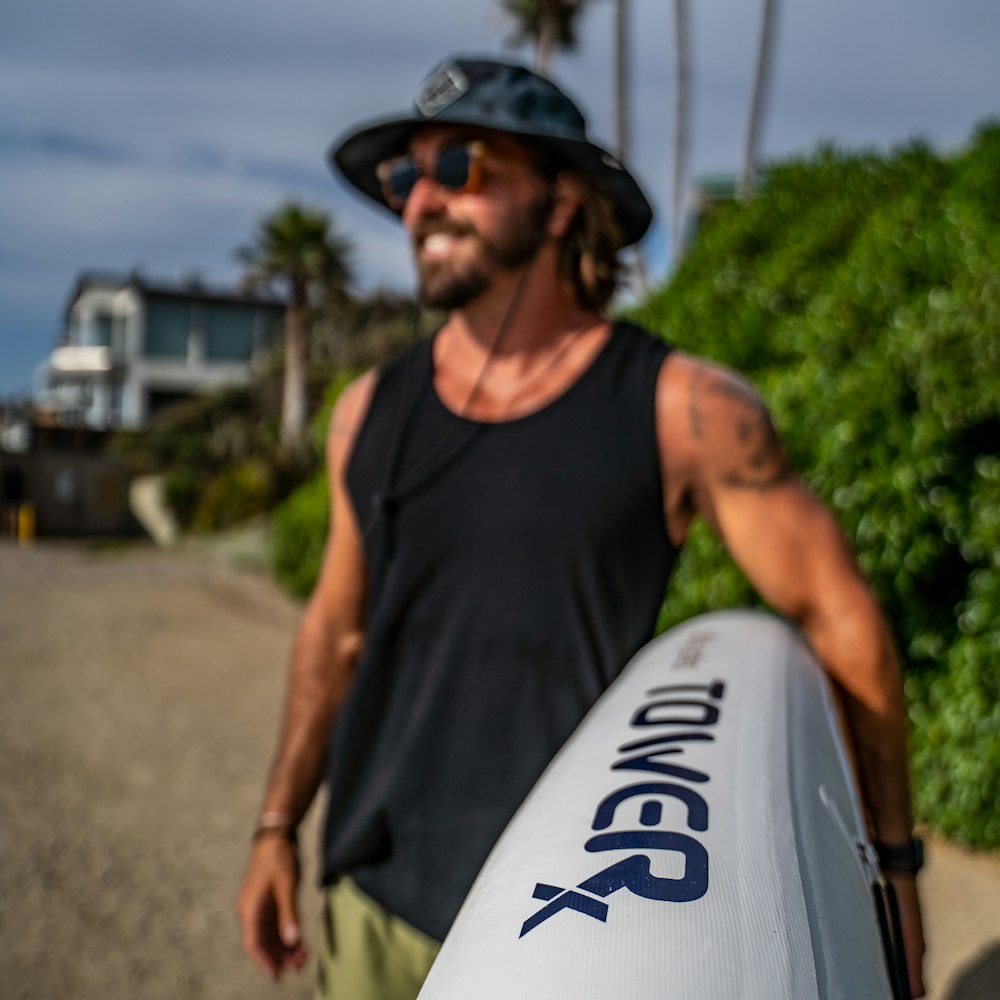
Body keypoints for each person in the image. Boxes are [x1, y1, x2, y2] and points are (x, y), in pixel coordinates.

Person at [237, 57, 926, 999]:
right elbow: (334, 630)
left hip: (575, 927)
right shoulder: (367, 412)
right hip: (376, 904)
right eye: (406, 178)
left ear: (561, 203)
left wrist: (893, 869)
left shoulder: (684, 408)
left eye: (460, 168)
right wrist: (278, 825)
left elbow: (840, 619)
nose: (419, 204)